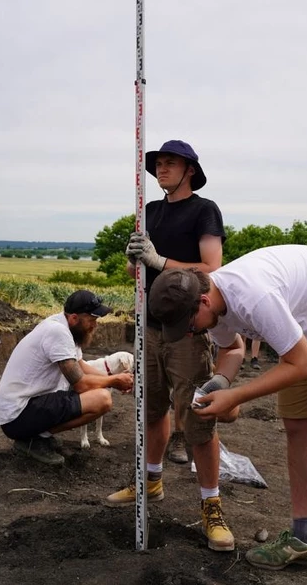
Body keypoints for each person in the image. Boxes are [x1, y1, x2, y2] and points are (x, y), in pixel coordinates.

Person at [150, 244, 307, 584]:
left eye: (188, 326)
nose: (190, 333)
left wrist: (236, 396)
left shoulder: (252, 295)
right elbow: (232, 348)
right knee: (297, 426)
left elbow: (303, 365)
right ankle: (305, 540)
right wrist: (220, 383)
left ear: (202, 302)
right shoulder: (208, 305)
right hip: (304, 326)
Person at [104, 139, 233, 552]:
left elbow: (213, 270)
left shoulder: (204, 210)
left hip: (187, 330)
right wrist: (136, 260)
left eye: (170, 163)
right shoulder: (150, 210)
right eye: (158, 163)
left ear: (189, 170)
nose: (161, 169)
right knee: (151, 407)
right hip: (149, 327)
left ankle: (211, 507)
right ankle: (151, 480)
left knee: (196, 419)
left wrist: (161, 262)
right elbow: (136, 272)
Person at [0, 290, 134, 466]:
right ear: (74, 318)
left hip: (28, 405)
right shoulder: (58, 332)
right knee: (102, 399)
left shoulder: (65, 328)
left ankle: (37, 435)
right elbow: (81, 383)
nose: (94, 326)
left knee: (100, 393)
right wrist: (113, 381)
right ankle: (33, 440)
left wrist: (117, 379)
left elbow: (82, 366)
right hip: (17, 415)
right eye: (91, 320)